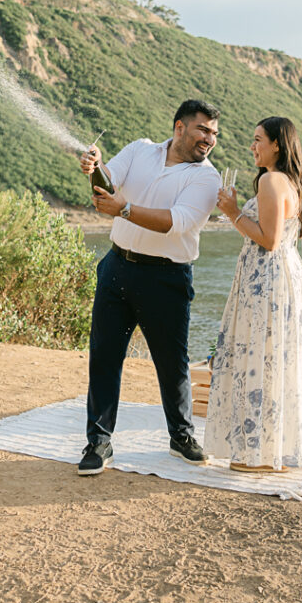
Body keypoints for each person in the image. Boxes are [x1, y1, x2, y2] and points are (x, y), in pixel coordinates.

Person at [77, 99, 221, 475]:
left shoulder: (207, 178)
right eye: (203, 130)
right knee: (104, 356)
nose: (210, 139)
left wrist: (123, 210)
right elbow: (108, 182)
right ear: (179, 127)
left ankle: (182, 436)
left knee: (172, 364)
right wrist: (94, 166)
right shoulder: (139, 149)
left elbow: (177, 221)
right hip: (116, 266)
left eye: (214, 133)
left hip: (167, 277)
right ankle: (98, 442)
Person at [203, 116, 302, 472]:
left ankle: (260, 454)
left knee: (261, 359)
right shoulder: (290, 182)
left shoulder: (270, 181)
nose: (252, 146)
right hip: (285, 276)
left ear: (277, 145)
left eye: (258, 140)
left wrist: (234, 212)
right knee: (286, 359)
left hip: (266, 280)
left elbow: (267, 241)